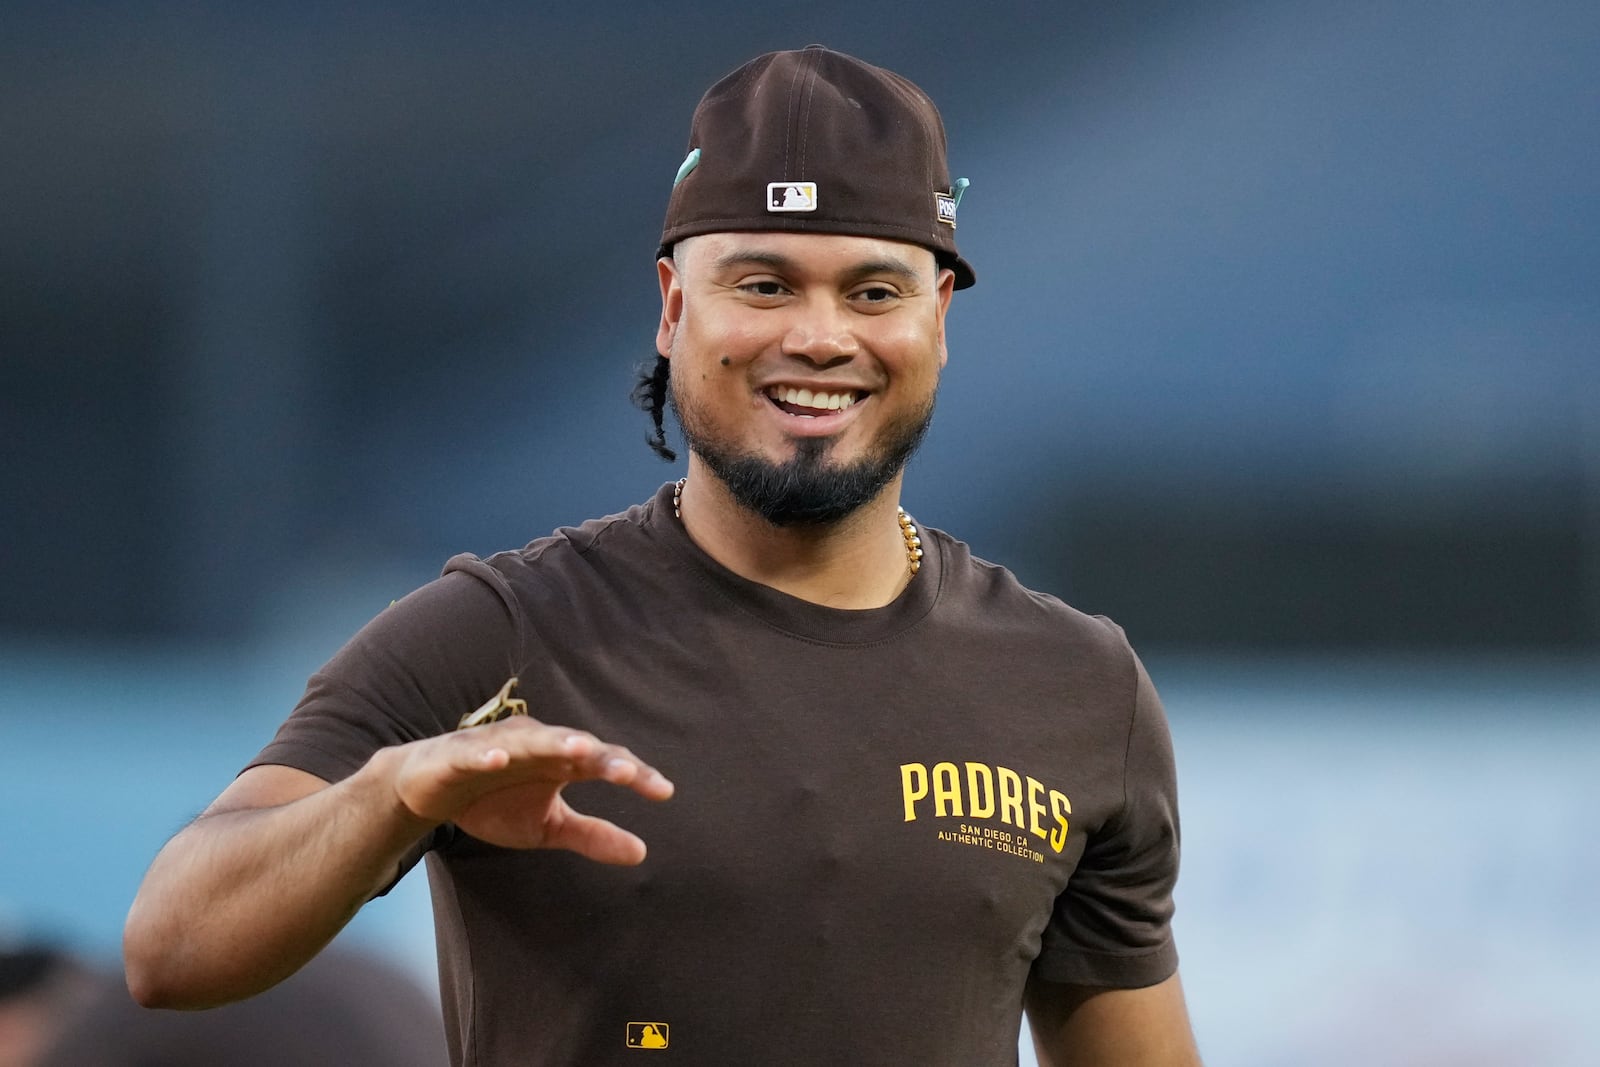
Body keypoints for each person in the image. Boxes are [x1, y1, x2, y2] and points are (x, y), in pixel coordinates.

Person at [124, 45, 1202, 1066]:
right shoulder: (497, 633)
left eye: (873, 291)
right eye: (763, 284)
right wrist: (391, 795)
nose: (821, 336)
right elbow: (170, 948)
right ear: (675, 307)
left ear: (938, 316)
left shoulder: (1078, 687)